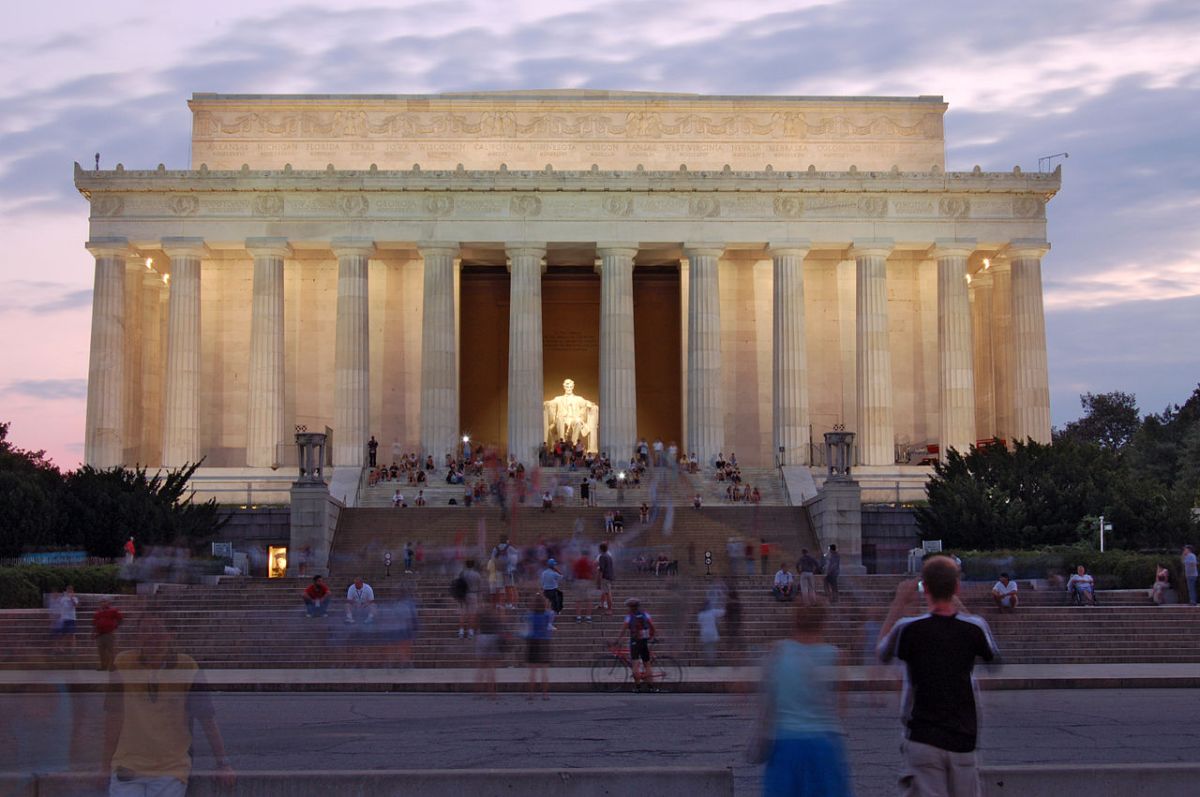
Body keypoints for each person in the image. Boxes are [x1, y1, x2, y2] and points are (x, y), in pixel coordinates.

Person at [877, 555, 998, 797]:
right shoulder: (974, 627)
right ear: (957, 587)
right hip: (963, 736)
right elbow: (994, 660)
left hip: (923, 735)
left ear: (925, 589)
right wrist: (956, 601)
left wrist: (898, 602)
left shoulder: (907, 628)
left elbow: (882, 653)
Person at [102, 609, 235, 795]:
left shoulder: (187, 667)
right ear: (137, 635)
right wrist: (104, 766)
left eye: (157, 629)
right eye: (145, 630)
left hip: (171, 766)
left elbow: (206, 718)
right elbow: (113, 719)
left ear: (170, 634)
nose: (151, 636)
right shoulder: (123, 664)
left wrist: (223, 763)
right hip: (128, 764)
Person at [752, 602, 852, 797]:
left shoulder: (777, 650)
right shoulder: (837, 656)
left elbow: (767, 700)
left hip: (785, 742)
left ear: (794, 621)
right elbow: (841, 708)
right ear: (823, 623)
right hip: (824, 744)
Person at [616, 598, 658, 692]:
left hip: (635, 642)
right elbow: (652, 626)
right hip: (644, 641)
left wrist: (617, 640)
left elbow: (623, 630)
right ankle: (651, 687)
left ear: (630, 607)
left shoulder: (629, 616)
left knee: (635, 664)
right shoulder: (645, 614)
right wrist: (653, 636)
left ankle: (638, 687)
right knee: (647, 664)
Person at [524, 594, 554, 700]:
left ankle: (531, 694)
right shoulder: (548, 614)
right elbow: (552, 614)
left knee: (532, 670)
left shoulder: (530, 615)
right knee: (544, 670)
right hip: (545, 641)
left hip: (533, 641)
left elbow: (526, 623)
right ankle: (545, 694)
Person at [92, 599, 123, 671]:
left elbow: (120, 619)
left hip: (109, 633)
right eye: (102, 602)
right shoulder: (97, 612)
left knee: (110, 651)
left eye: (105, 601)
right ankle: (103, 666)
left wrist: (115, 626)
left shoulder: (113, 610)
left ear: (108, 603)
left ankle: (112, 666)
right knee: (101, 652)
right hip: (100, 634)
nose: (103, 603)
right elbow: (95, 624)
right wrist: (93, 633)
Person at [457, 559, 482, 639]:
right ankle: (470, 631)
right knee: (472, 614)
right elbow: (479, 587)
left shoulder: (462, 574)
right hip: (473, 594)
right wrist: (480, 598)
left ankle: (461, 631)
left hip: (463, 594)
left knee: (462, 613)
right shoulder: (477, 575)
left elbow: (458, 584)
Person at [696, 600, 725, 666]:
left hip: (704, 634)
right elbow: (723, 612)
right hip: (712, 633)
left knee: (707, 649)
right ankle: (712, 662)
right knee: (712, 648)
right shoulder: (712, 612)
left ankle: (708, 662)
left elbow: (699, 623)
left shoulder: (700, 614)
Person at [51, 585, 79, 652]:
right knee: (64, 634)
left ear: (72, 591)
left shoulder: (75, 598)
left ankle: (73, 648)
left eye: (71, 590)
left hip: (72, 618)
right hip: (64, 618)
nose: (69, 591)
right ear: (66, 591)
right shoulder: (63, 599)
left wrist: (71, 598)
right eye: (68, 590)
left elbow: (76, 605)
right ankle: (61, 647)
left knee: (72, 634)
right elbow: (59, 606)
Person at [572, 550, 596, 623]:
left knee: (578, 600)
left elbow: (574, 571)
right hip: (587, 581)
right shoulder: (590, 562)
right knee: (589, 600)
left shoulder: (577, 561)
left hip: (578, 581)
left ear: (581, 554)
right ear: (588, 554)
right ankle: (588, 617)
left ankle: (578, 617)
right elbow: (593, 571)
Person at [540, 558, 564, 624]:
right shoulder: (554, 573)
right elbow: (562, 577)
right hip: (553, 591)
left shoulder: (544, 573)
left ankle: (546, 622)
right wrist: (557, 570)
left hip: (546, 591)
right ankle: (549, 623)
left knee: (547, 607)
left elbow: (542, 582)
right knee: (554, 608)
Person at [596, 543, 615, 617]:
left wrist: (598, 581)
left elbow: (601, 570)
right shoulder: (608, 556)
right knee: (605, 592)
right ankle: (602, 604)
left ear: (600, 549)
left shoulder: (602, 557)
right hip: (609, 576)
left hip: (605, 577)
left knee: (607, 593)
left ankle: (610, 609)